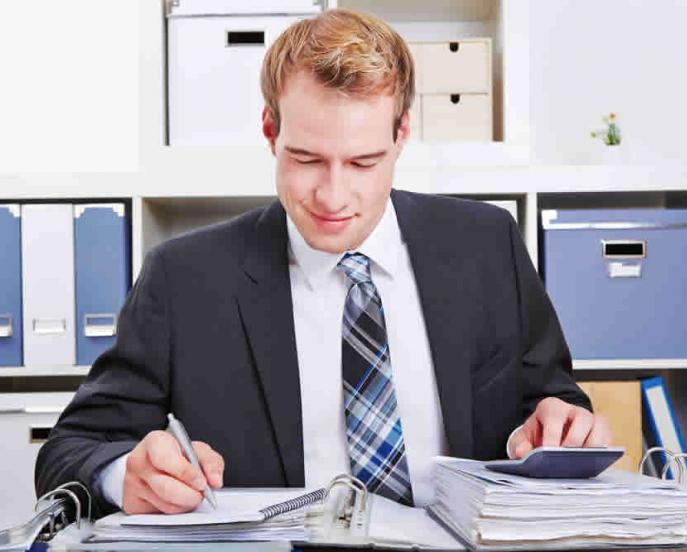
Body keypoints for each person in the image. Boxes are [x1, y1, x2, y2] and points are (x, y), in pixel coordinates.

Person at [35, 9, 610, 518]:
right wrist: (124, 475)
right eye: (307, 159)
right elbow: (69, 450)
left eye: (363, 163)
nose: (333, 197)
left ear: (401, 135)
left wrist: (560, 426)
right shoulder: (184, 279)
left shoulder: (488, 246)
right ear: (271, 132)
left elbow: (552, 404)